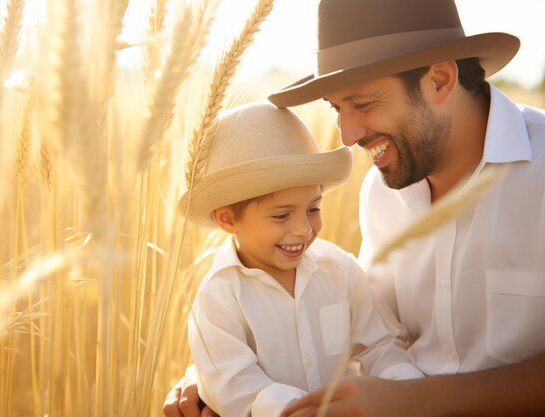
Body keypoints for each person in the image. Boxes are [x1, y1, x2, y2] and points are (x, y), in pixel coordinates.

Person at [164, 0, 545, 416]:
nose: (347, 135)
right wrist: (217, 371)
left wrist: (415, 402)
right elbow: (373, 330)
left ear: (438, 80)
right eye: (336, 109)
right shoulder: (380, 194)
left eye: (362, 104)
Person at [177, 102, 424, 417]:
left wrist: (401, 389)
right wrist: (296, 410)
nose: (304, 229)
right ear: (227, 219)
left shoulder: (339, 269)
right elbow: (234, 384)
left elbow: (381, 345)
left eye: (313, 208)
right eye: (282, 215)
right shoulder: (218, 298)